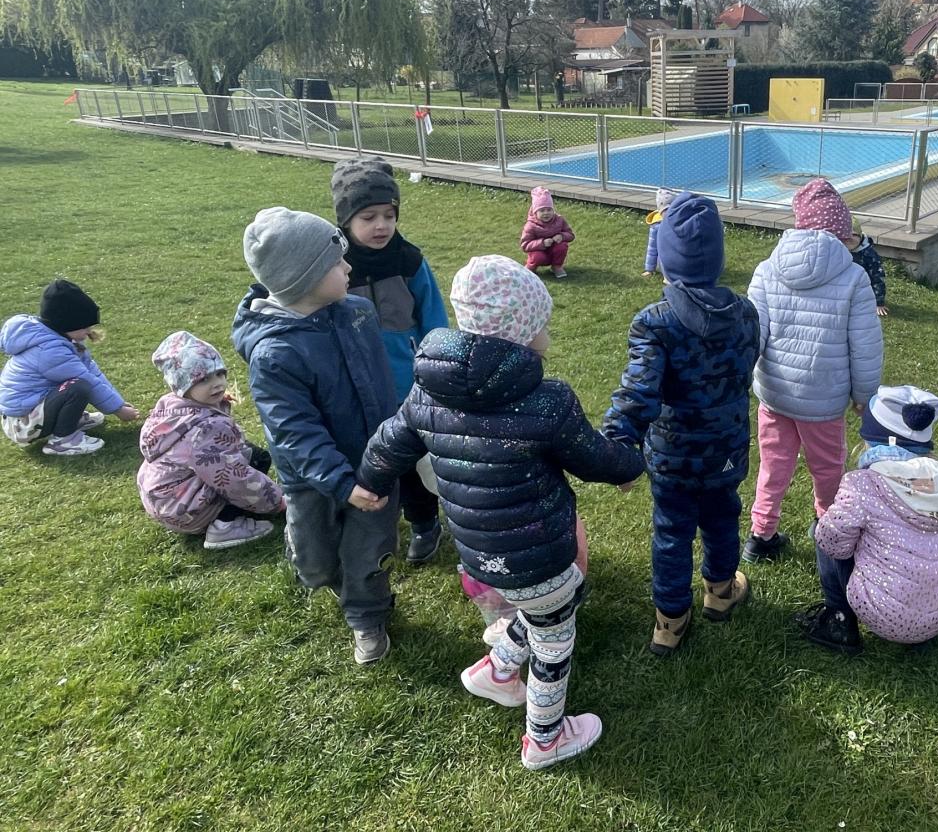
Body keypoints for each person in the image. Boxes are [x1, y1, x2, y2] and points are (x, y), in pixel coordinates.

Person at [357, 255, 643, 771]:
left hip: (478, 548)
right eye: (542, 325)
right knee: (555, 639)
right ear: (521, 335)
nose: (548, 334)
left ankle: (496, 670)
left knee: (549, 606)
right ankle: (545, 739)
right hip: (538, 552)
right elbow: (594, 457)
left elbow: (389, 442)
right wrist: (629, 466)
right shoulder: (546, 401)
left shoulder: (428, 392)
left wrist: (369, 482)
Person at [231, 207, 400, 666]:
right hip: (311, 479)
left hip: (374, 466)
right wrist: (340, 483)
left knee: (369, 550)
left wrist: (400, 444)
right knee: (317, 561)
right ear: (302, 278)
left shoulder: (359, 313)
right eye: (335, 262)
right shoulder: (275, 354)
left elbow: (383, 386)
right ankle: (309, 555)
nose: (348, 266)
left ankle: (367, 615)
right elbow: (293, 431)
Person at [602, 192, 760, 657]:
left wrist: (616, 446)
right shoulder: (746, 312)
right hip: (726, 449)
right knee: (722, 519)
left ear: (668, 261)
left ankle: (670, 622)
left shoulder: (655, 322)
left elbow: (638, 392)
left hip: (673, 457)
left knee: (672, 533)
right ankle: (720, 591)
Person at [743, 177, 883, 563]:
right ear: (842, 232)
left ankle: (761, 534)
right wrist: (864, 396)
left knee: (773, 464)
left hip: (775, 394)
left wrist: (741, 379)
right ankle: (828, 526)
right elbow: (865, 345)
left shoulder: (767, 270)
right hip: (823, 400)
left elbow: (752, 334)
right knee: (828, 466)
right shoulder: (854, 277)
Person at [331, 156, 449, 565]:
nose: (381, 225)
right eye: (368, 217)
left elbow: (434, 317)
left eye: (389, 215)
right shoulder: (333, 267)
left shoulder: (409, 260)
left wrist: (436, 367)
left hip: (406, 385)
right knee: (368, 458)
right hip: (355, 388)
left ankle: (424, 522)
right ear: (345, 220)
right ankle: (372, 521)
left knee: (410, 458)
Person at [796, 441, 938, 654]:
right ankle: (923, 626)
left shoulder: (863, 483)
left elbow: (831, 541)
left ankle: (839, 621)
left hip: (887, 615)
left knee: (829, 528)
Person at [138, 331, 285, 549]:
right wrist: (278, 501)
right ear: (182, 385)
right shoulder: (206, 428)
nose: (217, 384)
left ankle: (220, 513)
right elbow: (233, 478)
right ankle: (224, 526)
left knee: (250, 454)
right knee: (244, 465)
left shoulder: (172, 407)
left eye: (219, 374)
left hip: (164, 503)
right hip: (187, 511)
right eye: (204, 379)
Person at [0, 279, 140, 455]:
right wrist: (118, 411)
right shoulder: (50, 351)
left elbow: (91, 371)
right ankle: (64, 441)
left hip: (30, 414)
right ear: (66, 324)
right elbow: (87, 379)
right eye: (85, 326)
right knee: (77, 387)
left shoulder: (59, 340)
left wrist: (117, 403)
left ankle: (70, 421)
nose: (89, 331)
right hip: (22, 423)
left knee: (79, 384)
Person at [520, 187, 575, 278]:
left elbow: (571, 235)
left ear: (553, 210)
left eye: (549, 210)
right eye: (542, 210)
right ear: (535, 212)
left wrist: (562, 236)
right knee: (538, 257)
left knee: (562, 246)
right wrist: (542, 243)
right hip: (538, 252)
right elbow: (525, 245)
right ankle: (531, 266)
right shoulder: (530, 225)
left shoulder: (559, 220)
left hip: (554, 251)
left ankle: (556, 266)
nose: (546, 213)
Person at [846, 215, 889, 317]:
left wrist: (879, 303)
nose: (849, 238)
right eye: (846, 235)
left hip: (863, 292)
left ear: (860, 235)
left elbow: (877, 278)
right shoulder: (838, 249)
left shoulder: (869, 255)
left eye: (854, 234)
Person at [642, 187, 678, 276]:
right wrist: (649, 269)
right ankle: (657, 271)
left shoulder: (677, 220)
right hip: (662, 257)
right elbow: (652, 248)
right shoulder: (656, 223)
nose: (667, 213)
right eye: (665, 209)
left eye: (670, 209)